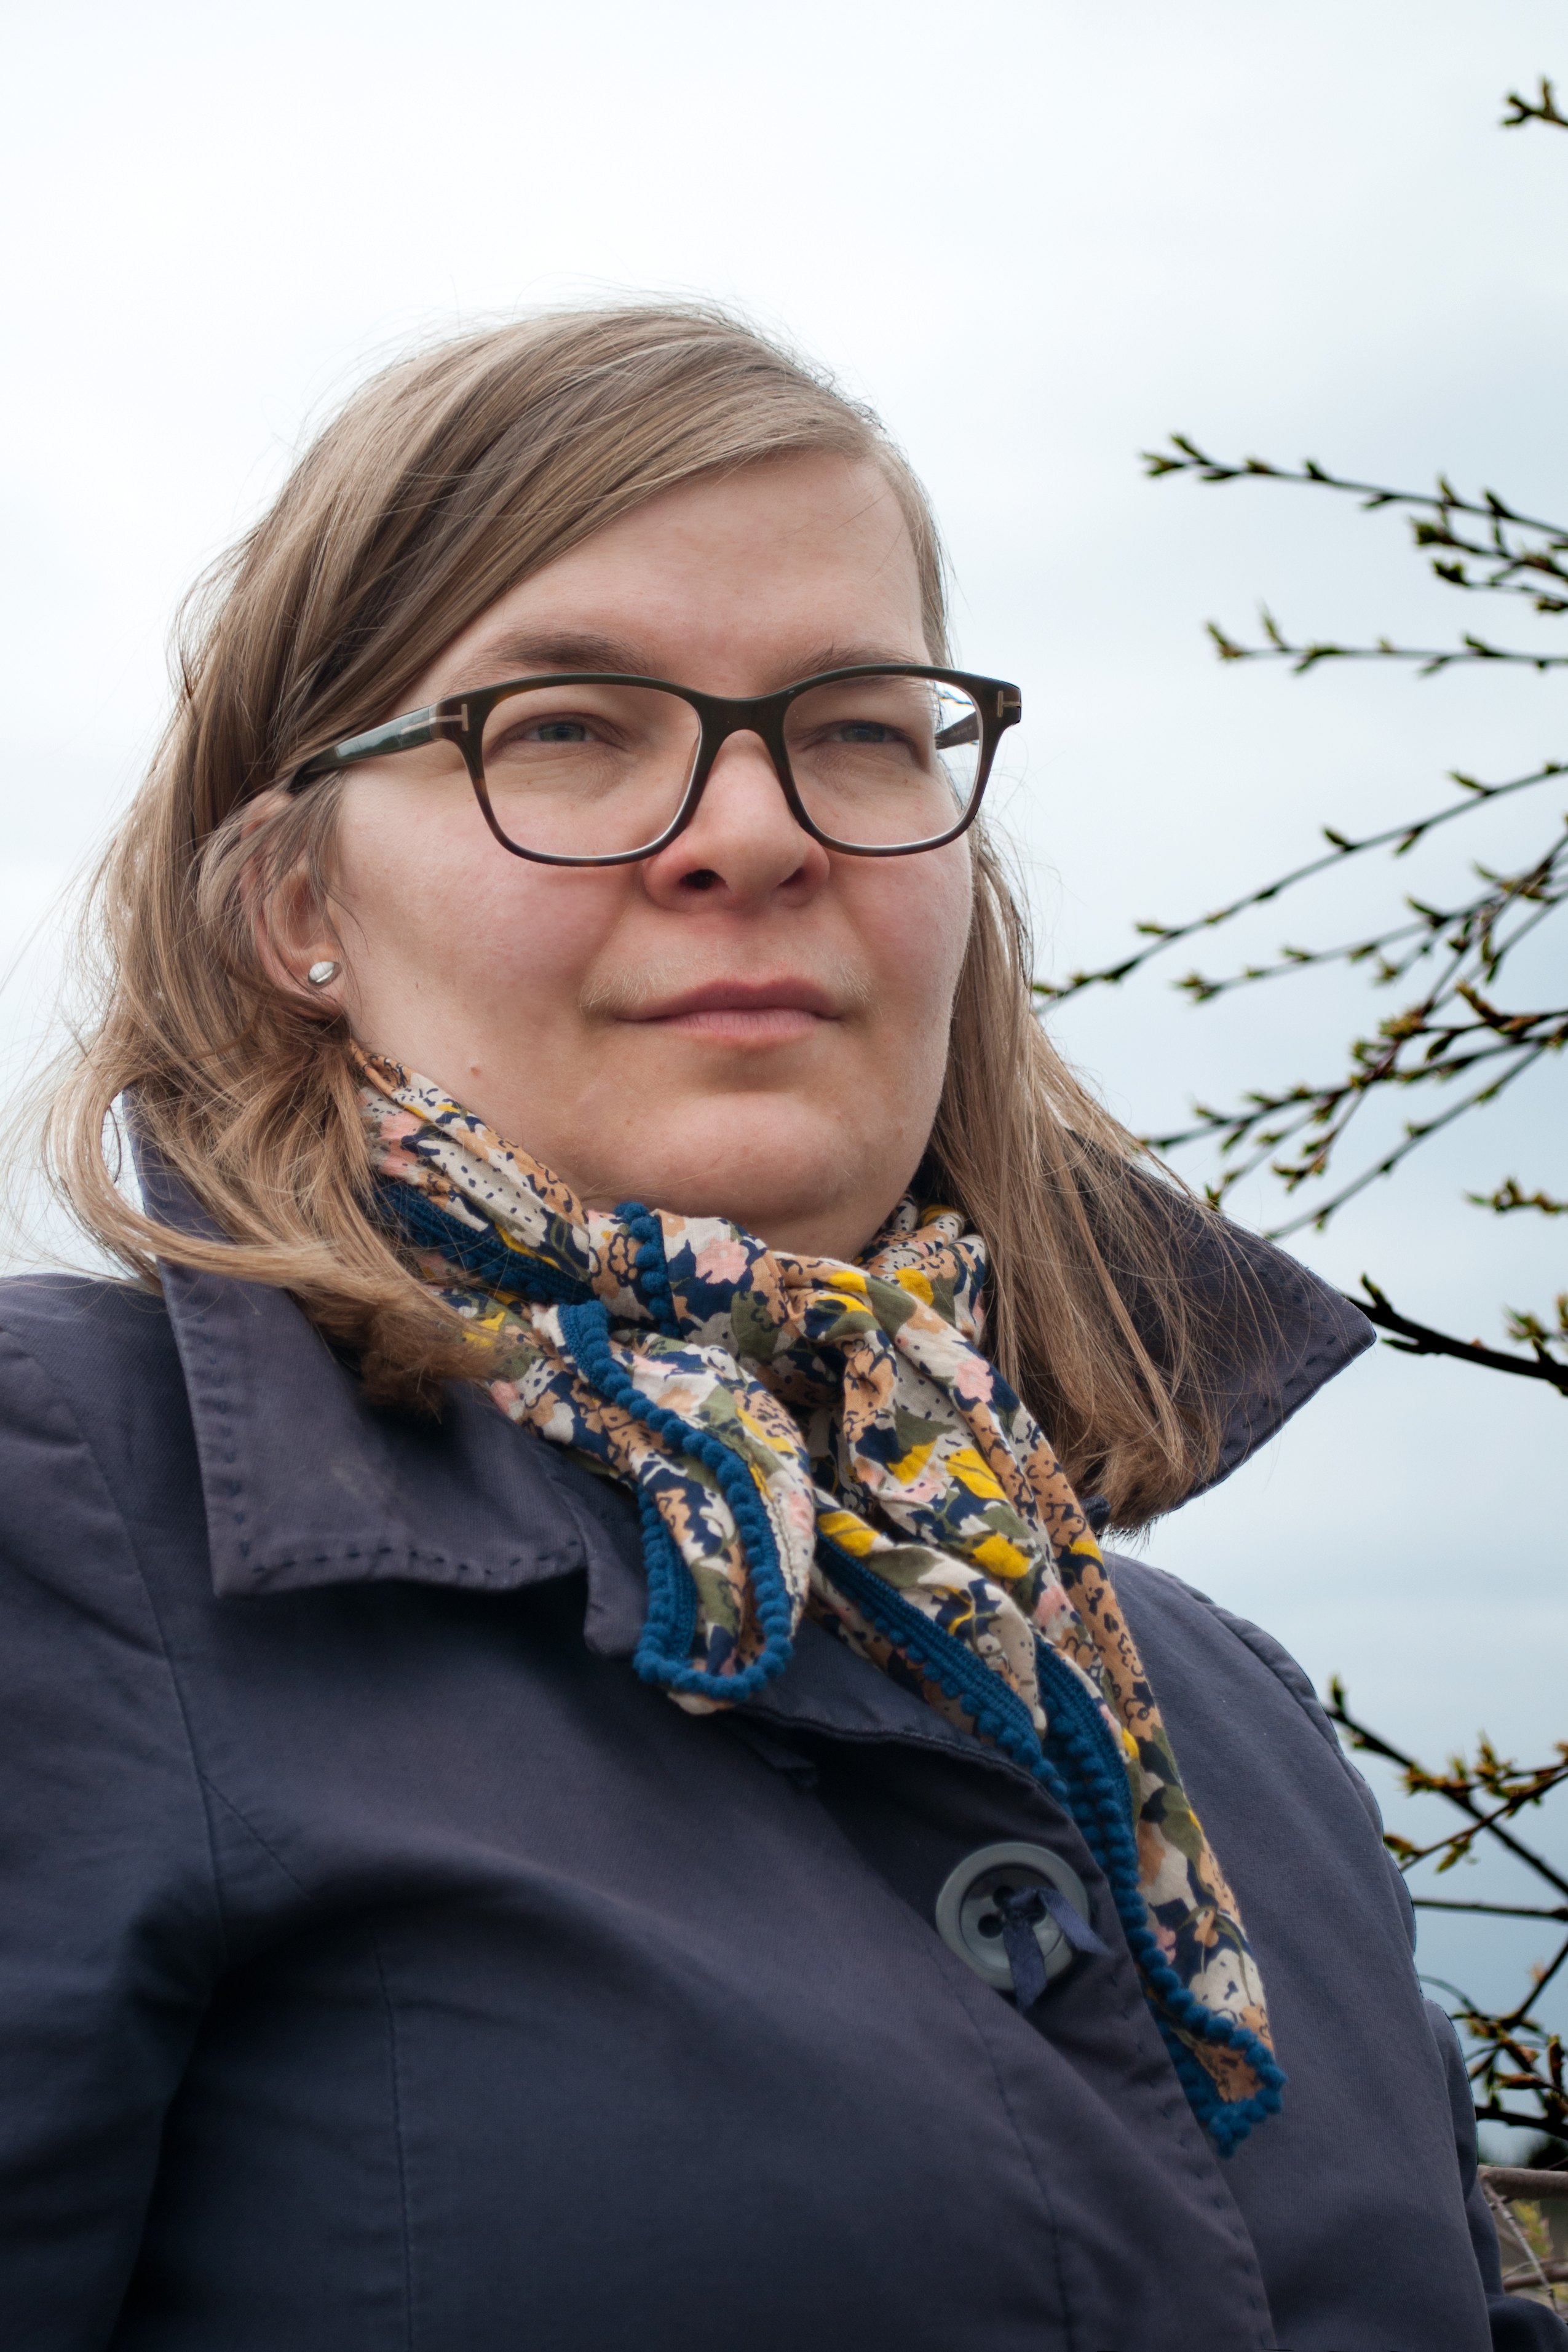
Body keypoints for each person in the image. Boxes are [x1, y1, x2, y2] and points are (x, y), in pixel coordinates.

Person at [0, 305, 1555, 2352]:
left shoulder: (1221, 1723)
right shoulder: (69, 1526)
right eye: (567, 724)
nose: (754, 829)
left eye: (859, 727)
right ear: (300, 903)